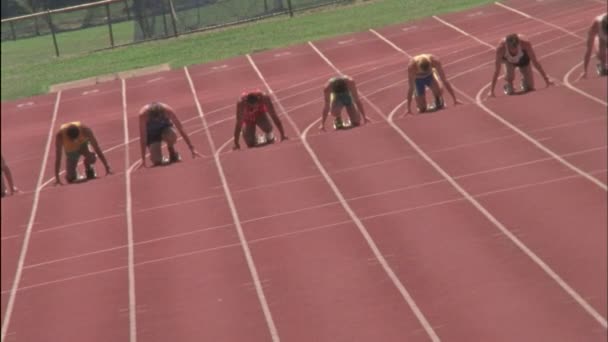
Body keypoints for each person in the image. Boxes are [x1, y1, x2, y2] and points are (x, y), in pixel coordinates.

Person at [489, 33, 553, 96]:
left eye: (516, 48)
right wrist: (491, 91)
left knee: (530, 87)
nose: (514, 51)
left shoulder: (525, 44)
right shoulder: (501, 49)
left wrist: (547, 80)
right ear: (507, 45)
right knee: (510, 89)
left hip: (523, 59)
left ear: (519, 44)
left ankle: (524, 82)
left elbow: (535, 62)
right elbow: (496, 70)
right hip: (508, 60)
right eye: (511, 49)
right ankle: (508, 84)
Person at [138, 102, 200, 167]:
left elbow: (180, 128)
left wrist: (192, 148)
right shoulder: (143, 115)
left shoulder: (168, 111)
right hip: (152, 135)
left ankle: (171, 150)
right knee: (157, 161)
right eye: (154, 119)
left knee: (172, 134)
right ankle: (157, 155)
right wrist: (143, 159)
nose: (157, 120)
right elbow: (143, 137)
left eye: (159, 118)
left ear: (162, 113)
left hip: (166, 130)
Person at [581, 13, 608, 78]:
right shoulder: (596, 24)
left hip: (604, 37)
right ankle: (602, 66)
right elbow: (588, 50)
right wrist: (585, 71)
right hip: (600, 38)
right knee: (601, 55)